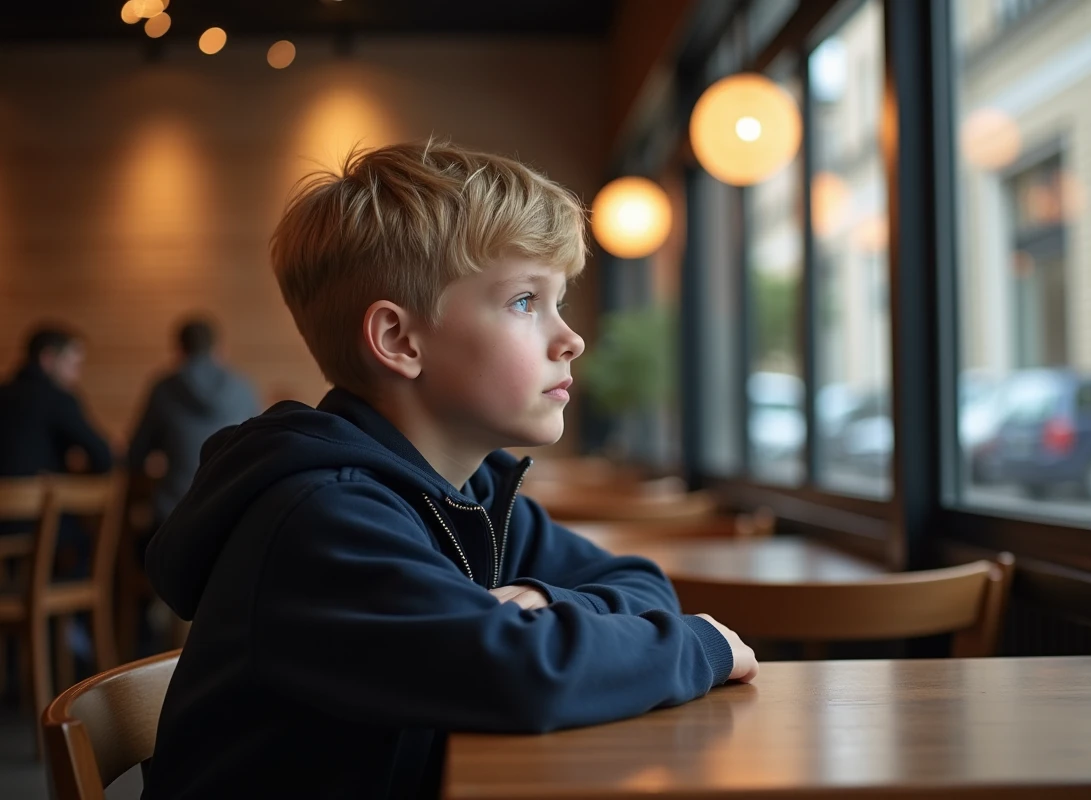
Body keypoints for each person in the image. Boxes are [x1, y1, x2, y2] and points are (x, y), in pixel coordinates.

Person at [142, 141, 758, 800]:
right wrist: (701, 645)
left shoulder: (472, 491)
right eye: (526, 301)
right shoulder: (320, 517)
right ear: (400, 341)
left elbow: (637, 582)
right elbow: (522, 674)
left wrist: (546, 601)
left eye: (561, 300)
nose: (571, 338)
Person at [127, 317, 259, 532]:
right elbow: (256, 449)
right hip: (234, 511)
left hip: (175, 513)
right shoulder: (244, 388)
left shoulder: (164, 388)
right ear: (219, 349)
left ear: (179, 349)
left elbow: (137, 453)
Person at [0, 326, 112, 479]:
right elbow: (103, 457)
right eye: (74, 366)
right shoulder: (57, 398)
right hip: (39, 500)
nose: (77, 377)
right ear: (48, 358)